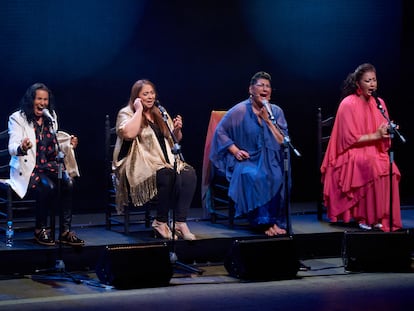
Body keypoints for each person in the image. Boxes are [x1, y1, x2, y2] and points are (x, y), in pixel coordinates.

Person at [321, 63, 402, 232]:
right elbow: (348, 140)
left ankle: (380, 216)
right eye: (367, 81)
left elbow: (381, 132)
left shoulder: (379, 103)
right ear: (358, 83)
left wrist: (388, 130)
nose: (372, 84)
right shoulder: (348, 103)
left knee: (391, 168)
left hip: (374, 149)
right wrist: (377, 135)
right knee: (372, 164)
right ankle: (365, 216)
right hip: (349, 152)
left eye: (374, 80)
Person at [112, 79, 197, 240]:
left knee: (189, 173)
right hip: (137, 164)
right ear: (136, 96)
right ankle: (161, 221)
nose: (150, 97)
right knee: (166, 174)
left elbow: (174, 141)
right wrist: (138, 110)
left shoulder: (160, 112)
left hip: (161, 161)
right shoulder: (127, 112)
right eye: (145, 94)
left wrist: (177, 129)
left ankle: (180, 221)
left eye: (152, 93)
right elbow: (128, 134)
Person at [209, 71, 291, 236]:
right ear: (251, 89)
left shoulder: (276, 111)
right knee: (255, 176)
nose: (265, 89)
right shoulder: (239, 110)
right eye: (260, 85)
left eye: (267, 86)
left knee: (276, 175)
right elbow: (220, 132)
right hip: (246, 160)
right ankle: (262, 223)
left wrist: (268, 120)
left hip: (270, 159)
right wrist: (235, 150)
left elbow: (283, 140)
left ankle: (273, 221)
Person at [8, 83, 84, 246]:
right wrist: (22, 147)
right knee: (47, 186)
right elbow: (12, 147)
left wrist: (68, 144)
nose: (42, 103)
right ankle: (40, 230)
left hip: (48, 165)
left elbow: (54, 145)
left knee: (68, 182)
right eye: (39, 99)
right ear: (31, 100)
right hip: (29, 168)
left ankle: (65, 231)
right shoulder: (17, 118)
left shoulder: (51, 117)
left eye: (45, 100)